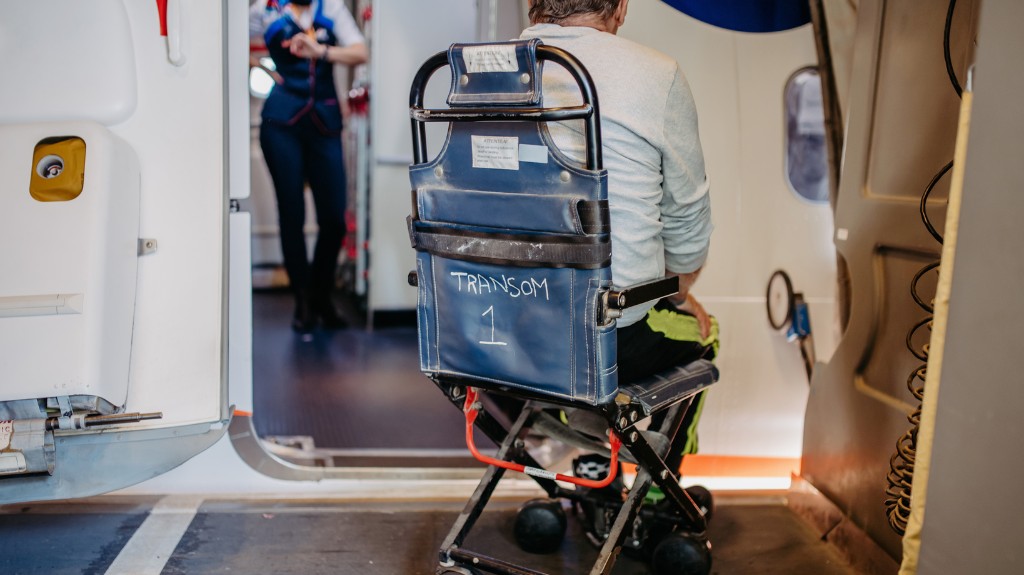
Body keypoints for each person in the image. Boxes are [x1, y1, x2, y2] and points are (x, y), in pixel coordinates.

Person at [521, 0, 718, 494]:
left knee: (565, 343)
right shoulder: (655, 75)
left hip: (494, 334)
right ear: (621, 8)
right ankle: (654, 492)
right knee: (703, 335)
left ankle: (580, 458)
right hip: (604, 336)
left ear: (532, 4)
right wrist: (678, 290)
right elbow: (687, 219)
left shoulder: (482, 71)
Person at [249, 0, 369, 332]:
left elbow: (361, 52)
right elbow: (229, 42)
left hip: (325, 121)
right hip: (281, 122)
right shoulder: (266, 10)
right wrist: (266, 70)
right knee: (292, 213)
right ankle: (302, 301)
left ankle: (320, 294)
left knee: (333, 218)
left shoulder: (330, 9)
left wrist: (322, 52)